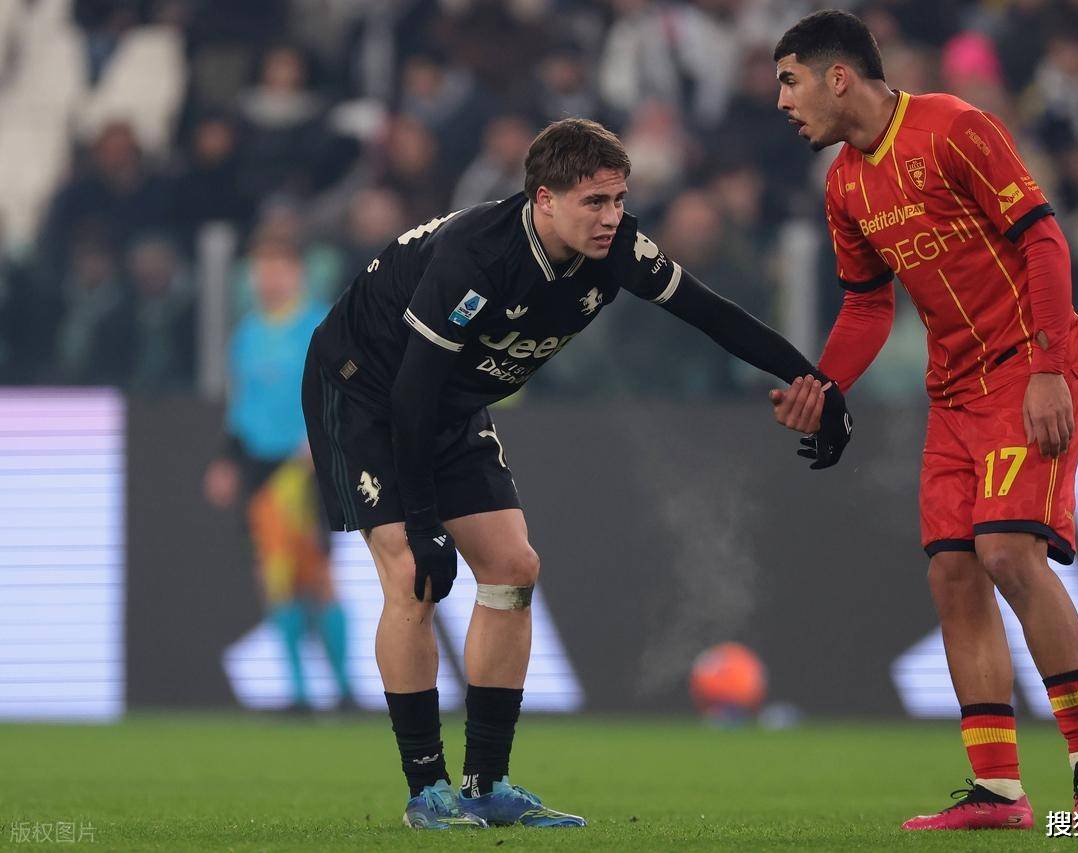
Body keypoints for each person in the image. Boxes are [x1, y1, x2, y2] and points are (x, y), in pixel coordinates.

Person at [300, 117, 852, 831]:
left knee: (513, 568)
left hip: (448, 400)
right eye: (594, 201)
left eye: (619, 199)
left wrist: (817, 384)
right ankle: (427, 790)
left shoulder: (617, 249)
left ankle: (487, 783)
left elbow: (712, 315)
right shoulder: (475, 258)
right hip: (367, 390)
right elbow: (410, 396)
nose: (611, 217)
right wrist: (428, 522)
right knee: (414, 574)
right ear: (544, 199)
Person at [769, 10, 1078, 830]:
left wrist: (1047, 366)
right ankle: (998, 789)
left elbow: (1045, 241)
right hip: (954, 392)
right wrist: (822, 384)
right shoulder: (844, 185)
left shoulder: (956, 128)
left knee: (1005, 551)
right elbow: (867, 308)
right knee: (953, 573)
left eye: (789, 81)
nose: (782, 102)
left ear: (838, 77)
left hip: (1030, 369)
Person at [205, 237, 354, 713]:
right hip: (260, 466)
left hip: (307, 464)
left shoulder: (321, 325)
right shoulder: (246, 334)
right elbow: (241, 404)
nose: (269, 279)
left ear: (298, 274)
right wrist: (227, 459)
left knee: (317, 572)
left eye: (278, 269)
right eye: (261, 270)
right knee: (273, 574)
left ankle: (345, 690)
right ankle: (298, 692)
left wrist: (322, 439)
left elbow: (345, 390)